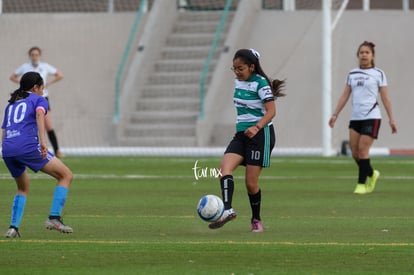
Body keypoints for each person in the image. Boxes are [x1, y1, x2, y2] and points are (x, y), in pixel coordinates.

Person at [208, 48, 285, 232]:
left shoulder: (261, 84)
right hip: (241, 134)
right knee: (224, 169)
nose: (237, 72)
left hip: (260, 134)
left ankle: (256, 219)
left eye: (240, 68)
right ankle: (227, 210)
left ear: (251, 67)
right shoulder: (238, 82)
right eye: (234, 68)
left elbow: (272, 112)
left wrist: (257, 127)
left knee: (251, 184)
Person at [2, 72, 73, 238]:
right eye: (42, 87)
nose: (43, 90)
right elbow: (40, 114)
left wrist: (3, 149)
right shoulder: (38, 99)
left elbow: (4, 130)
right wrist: (43, 141)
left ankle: (13, 228)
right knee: (66, 175)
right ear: (36, 87)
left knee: (22, 188)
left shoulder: (11, 104)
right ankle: (54, 218)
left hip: (7, 149)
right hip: (27, 147)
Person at [329, 41, 397, 194]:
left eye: (367, 52)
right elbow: (344, 96)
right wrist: (335, 114)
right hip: (356, 117)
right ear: (358, 55)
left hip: (372, 116)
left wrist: (391, 119)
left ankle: (361, 185)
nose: (364, 55)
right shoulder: (352, 74)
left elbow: (386, 98)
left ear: (372, 56)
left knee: (363, 149)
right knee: (355, 153)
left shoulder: (379, 74)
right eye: (361, 53)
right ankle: (372, 174)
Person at [10, 46, 64, 158]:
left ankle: (57, 150)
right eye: (33, 55)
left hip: (42, 97)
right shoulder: (25, 67)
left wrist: (48, 84)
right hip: (28, 98)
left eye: (37, 55)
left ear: (40, 56)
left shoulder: (44, 66)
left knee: (48, 124)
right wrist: (23, 84)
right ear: (29, 56)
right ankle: (34, 148)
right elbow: (12, 76)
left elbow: (60, 74)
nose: (35, 57)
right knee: (31, 123)